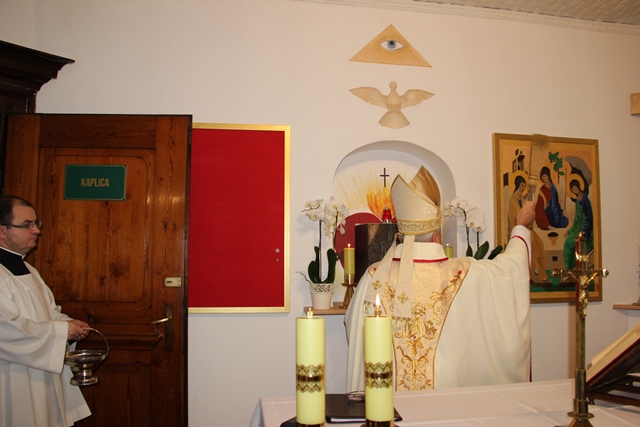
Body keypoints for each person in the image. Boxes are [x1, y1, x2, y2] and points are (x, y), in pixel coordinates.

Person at [345, 167, 535, 392]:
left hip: (384, 400)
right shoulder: (465, 273)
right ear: (436, 237)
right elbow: (511, 271)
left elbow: (353, 327)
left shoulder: (374, 277)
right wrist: (520, 227)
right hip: (446, 399)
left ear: (402, 236)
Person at [0, 196, 91, 426]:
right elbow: (6, 330)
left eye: (36, 224)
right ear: (2, 231)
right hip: (11, 376)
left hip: (41, 371)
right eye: (27, 225)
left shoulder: (29, 269)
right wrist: (61, 331)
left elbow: (49, 313)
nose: (36, 231)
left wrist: (70, 325)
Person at [563, 179, 593, 269]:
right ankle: (569, 268)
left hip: (585, 230)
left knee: (577, 245)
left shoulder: (585, 200)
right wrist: (569, 231)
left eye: (574, 188)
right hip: (577, 229)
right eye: (572, 189)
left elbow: (589, 217)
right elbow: (576, 220)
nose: (574, 190)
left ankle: (578, 268)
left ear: (579, 186)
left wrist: (585, 231)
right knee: (567, 242)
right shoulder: (577, 201)